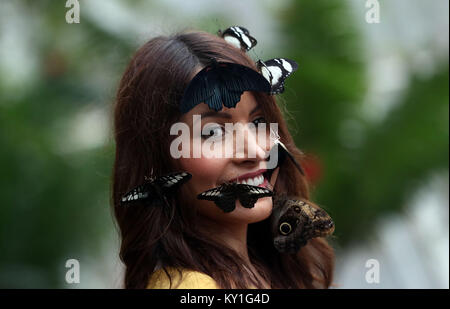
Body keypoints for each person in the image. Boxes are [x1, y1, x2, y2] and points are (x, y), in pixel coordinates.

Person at [112, 29, 334, 289]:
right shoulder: (190, 288)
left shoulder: (270, 270)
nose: (255, 152)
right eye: (213, 132)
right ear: (157, 161)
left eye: (258, 122)